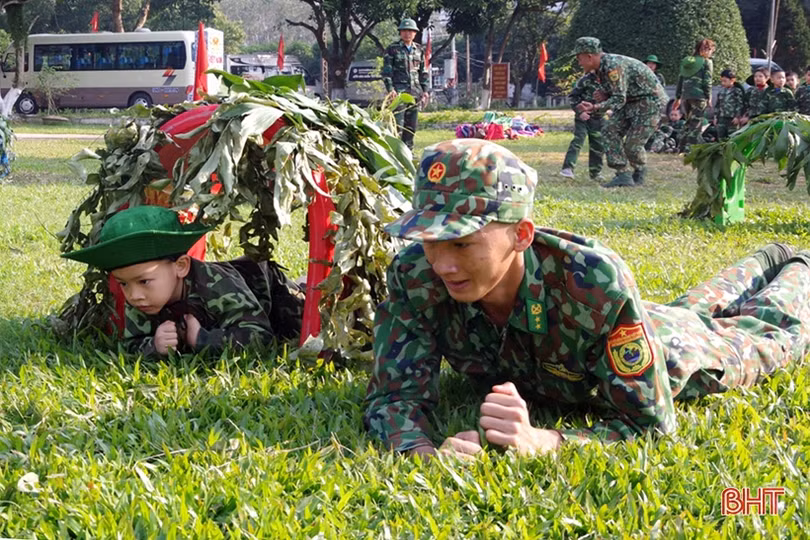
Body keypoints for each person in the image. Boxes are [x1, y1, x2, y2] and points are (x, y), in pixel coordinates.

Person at [363, 138, 810, 458]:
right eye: (429, 240)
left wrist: (544, 441)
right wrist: (418, 450)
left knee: (764, 331)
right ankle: (764, 258)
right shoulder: (414, 274)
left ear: (521, 235)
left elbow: (648, 427)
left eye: (461, 244)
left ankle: (800, 266)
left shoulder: (594, 281)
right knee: (695, 303)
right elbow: (392, 397)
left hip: (671, 349)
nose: (442, 264)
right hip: (642, 317)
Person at [61, 206, 305, 357]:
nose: (133, 295)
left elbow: (260, 337)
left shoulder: (216, 285)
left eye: (144, 281)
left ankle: (303, 284)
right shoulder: (141, 296)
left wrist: (203, 340)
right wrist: (154, 346)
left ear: (181, 266)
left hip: (268, 290)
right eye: (123, 284)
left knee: (299, 322)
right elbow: (131, 344)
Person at [570, 37, 667, 188]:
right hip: (631, 102)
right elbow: (619, 93)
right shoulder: (601, 69)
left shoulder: (612, 66)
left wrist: (595, 107)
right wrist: (604, 95)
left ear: (589, 56)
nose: (579, 62)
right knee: (609, 130)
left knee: (632, 145)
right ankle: (623, 174)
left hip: (650, 102)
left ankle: (639, 172)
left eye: (579, 58)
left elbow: (619, 98)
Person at [382, 18, 430, 150]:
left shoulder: (419, 50)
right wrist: (390, 89)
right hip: (398, 94)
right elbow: (387, 72)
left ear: (415, 33)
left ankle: (408, 153)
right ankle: (395, 153)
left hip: (415, 93)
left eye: (410, 31)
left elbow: (423, 73)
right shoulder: (392, 49)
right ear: (400, 32)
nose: (407, 34)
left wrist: (425, 91)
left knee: (411, 127)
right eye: (404, 31)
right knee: (397, 125)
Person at [560, 72, 604, 181]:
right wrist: (579, 112)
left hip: (598, 117)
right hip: (583, 117)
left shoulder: (608, 81)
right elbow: (573, 97)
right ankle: (568, 168)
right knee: (578, 140)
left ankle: (595, 172)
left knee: (598, 145)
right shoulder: (585, 80)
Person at [673, 39, 715, 153]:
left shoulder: (687, 61)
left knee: (688, 122)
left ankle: (680, 148)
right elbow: (707, 81)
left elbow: (680, 79)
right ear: (705, 50)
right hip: (699, 96)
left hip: (686, 96)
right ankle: (689, 150)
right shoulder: (707, 62)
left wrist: (678, 97)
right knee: (696, 124)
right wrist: (709, 97)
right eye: (710, 50)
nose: (711, 53)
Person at [714, 69, 746, 140]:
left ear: (732, 80)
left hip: (732, 119)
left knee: (732, 138)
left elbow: (740, 104)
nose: (723, 83)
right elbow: (718, 104)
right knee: (720, 138)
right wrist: (716, 117)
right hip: (722, 118)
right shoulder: (721, 91)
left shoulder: (737, 91)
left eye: (725, 81)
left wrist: (737, 117)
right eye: (722, 81)